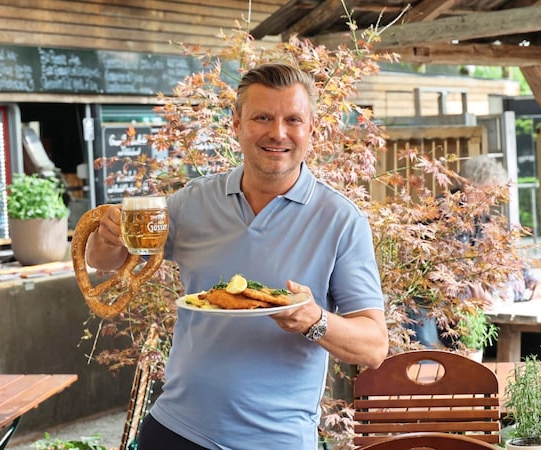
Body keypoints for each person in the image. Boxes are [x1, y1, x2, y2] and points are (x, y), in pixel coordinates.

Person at [85, 63, 388, 450]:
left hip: (277, 440)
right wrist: (109, 237)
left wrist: (315, 320)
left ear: (311, 128)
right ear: (236, 124)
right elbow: (105, 262)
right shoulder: (192, 202)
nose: (277, 132)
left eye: (292, 119)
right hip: (177, 429)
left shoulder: (341, 221)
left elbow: (374, 347)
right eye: (262, 117)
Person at [406, 155, 541, 350]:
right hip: (448, 319)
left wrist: (534, 281)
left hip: (487, 316)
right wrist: (471, 292)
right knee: (533, 346)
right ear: (469, 187)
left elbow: (510, 261)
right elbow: (434, 274)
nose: (490, 202)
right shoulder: (439, 218)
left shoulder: (483, 221)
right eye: (486, 194)